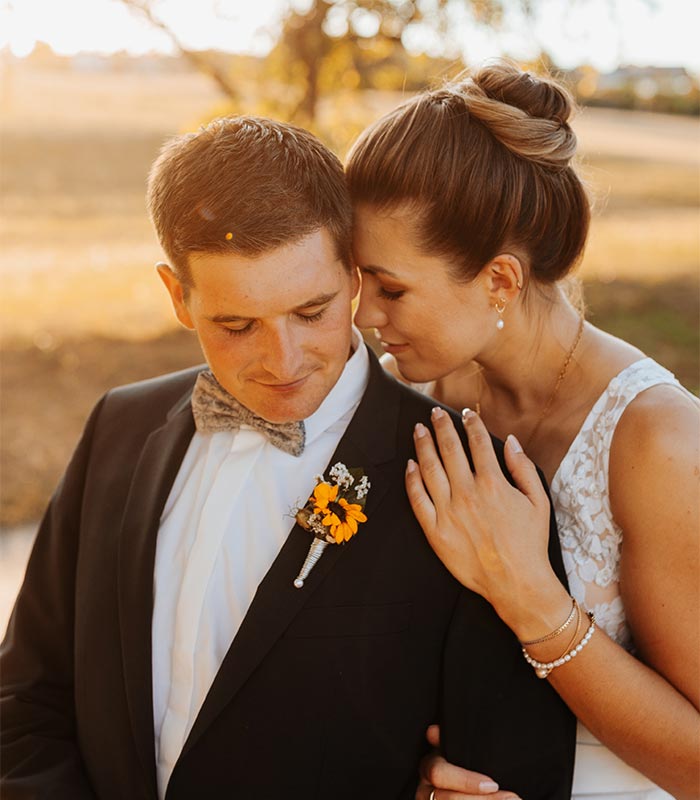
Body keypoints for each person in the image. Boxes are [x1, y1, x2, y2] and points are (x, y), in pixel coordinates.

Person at [0, 115, 575, 800]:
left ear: (354, 279)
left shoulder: (475, 488)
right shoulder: (119, 428)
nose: (284, 362)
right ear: (177, 296)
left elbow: (509, 777)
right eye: (237, 325)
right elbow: (26, 694)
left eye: (312, 311)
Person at [346, 61, 700, 799]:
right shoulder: (426, 388)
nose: (363, 317)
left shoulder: (657, 443)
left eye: (392, 289)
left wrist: (530, 597)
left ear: (500, 281)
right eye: (358, 282)